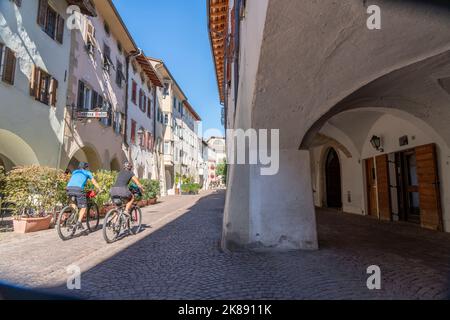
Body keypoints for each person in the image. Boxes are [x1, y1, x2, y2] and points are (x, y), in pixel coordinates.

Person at [66, 162, 102, 230]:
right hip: (78, 189)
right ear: (85, 167)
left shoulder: (74, 172)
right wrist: (99, 189)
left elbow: (75, 180)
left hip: (69, 188)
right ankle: (79, 222)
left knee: (74, 207)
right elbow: (94, 182)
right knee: (83, 207)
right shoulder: (87, 172)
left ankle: (71, 218)